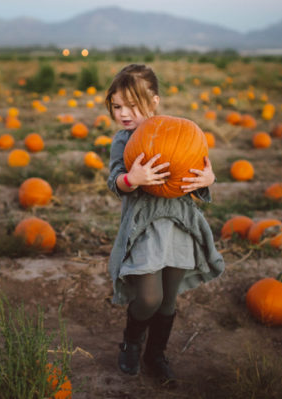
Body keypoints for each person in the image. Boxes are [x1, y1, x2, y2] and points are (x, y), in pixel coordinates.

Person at [105, 64, 225, 386]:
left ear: (154, 100)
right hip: (144, 228)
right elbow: (114, 181)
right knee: (148, 298)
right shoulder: (124, 140)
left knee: (168, 299)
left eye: (132, 105)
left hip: (178, 226)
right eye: (117, 106)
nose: (124, 113)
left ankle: (156, 355)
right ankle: (131, 341)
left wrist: (208, 179)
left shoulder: (180, 133)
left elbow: (193, 177)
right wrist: (133, 178)